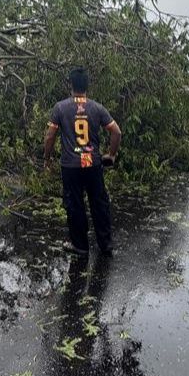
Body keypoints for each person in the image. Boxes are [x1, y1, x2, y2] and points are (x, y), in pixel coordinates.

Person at [44, 68, 122, 257]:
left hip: (70, 166)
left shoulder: (60, 108)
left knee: (74, 204)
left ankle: (80, 246)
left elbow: (50, 136)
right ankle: (105, 244)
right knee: (99, 203)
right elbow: (116, 132)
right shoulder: (97, 107)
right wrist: (111, 155)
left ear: (70, 85)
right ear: (87, 85)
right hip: (93, 164)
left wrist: (47, 158)